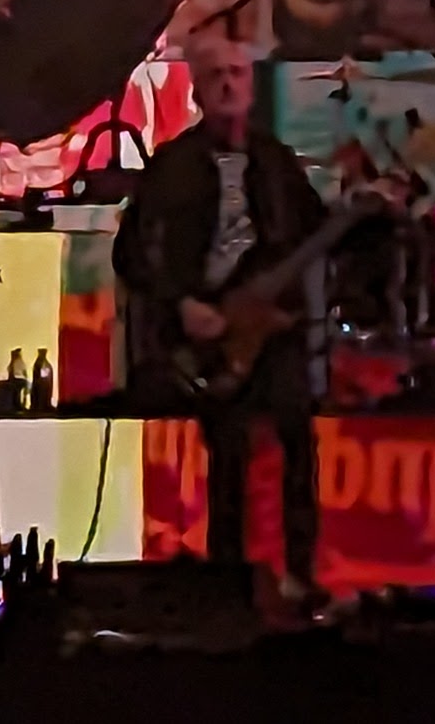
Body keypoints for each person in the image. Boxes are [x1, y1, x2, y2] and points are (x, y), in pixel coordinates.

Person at [117, 35, 330, 602]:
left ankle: (302, 574)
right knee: (228, 450)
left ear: (252, 85)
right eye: (216, 76)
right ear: (198, 90)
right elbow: (131, 253)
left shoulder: (276, 163)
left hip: (270, 332)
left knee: (297, 433)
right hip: (205, 330)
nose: (229, 85)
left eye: (238, 73)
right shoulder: (174, 165)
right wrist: (181, 304)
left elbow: (315, 230)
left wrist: (371, 209)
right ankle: (229, 582)